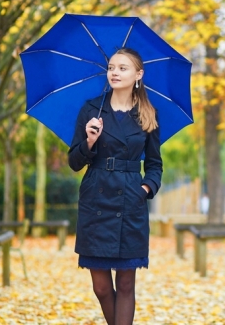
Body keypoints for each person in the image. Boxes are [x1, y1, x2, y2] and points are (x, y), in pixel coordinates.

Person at [68, 47, 162, 325]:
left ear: (138, 74)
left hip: (130, 201)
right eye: (111, 67)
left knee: (125, 285)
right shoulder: (91, 109)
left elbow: (155, 164)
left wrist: (145, 189)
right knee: (100, 287)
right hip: (96, 199)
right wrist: (89, 142)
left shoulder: (148, 113)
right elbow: (74, 162)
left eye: (122, 68)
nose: (115, 72)